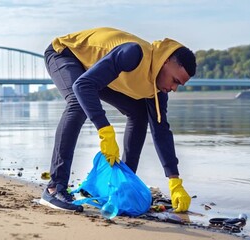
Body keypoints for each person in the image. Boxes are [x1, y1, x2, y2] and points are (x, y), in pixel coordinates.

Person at [40, 27, 196, 213]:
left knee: (140, 113)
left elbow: (161, 131)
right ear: (167, 61)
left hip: (95, 71)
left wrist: (174, 180)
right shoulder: (133, 54)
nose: (174, 88)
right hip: (66, 54)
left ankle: (123, 188)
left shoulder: (158, 90)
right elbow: (82, 85)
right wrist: (105, 131)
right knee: (78, 103)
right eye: (175, 80)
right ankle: (54, 187)